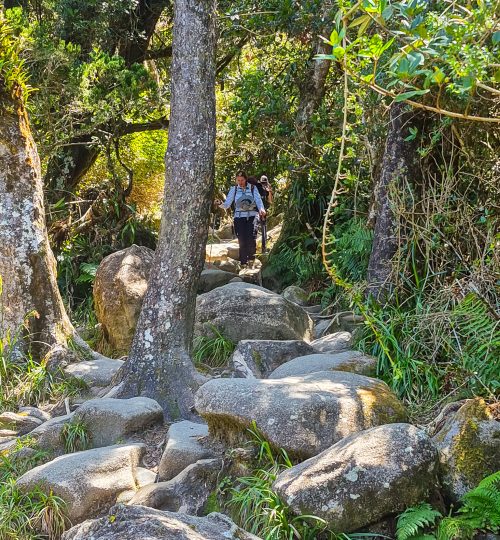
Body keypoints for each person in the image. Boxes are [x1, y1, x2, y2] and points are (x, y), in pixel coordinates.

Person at [220, 171, 266, 267]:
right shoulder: (234, 189)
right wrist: (219, 203)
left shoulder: (252, 188)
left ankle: (251, 259)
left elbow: (258, 200)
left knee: (251, 237)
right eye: (238, 180)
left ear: (246, 179)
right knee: (241, 239)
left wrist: (262, 209)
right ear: (236, 180)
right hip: (239, 217)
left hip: (252, 216)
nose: (240, 182)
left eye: (242, 180)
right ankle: (243, 262)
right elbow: (227, 204)